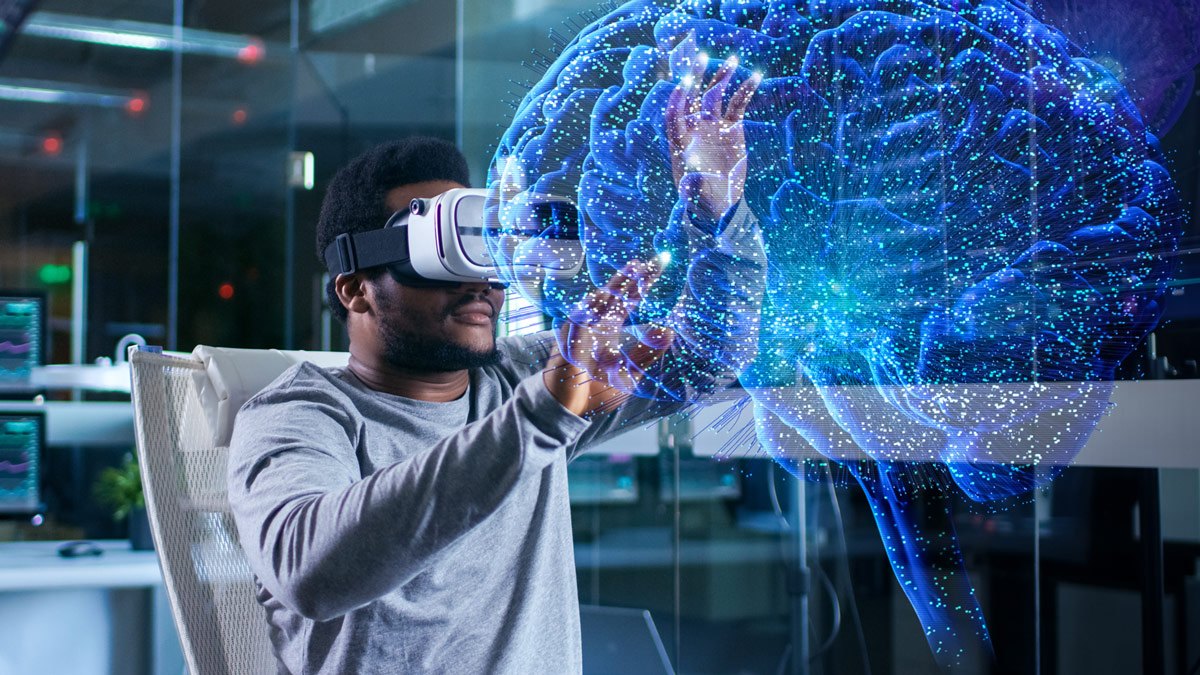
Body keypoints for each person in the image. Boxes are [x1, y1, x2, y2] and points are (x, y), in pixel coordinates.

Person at [228, 58, 761, 674]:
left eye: (487, 244)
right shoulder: (300, 414)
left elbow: (712, 348)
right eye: (443, 250)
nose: (481, 279)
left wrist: (717, 215)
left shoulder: (518, 380)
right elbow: (309, 572)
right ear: (356, 290)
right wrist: (547, 411)